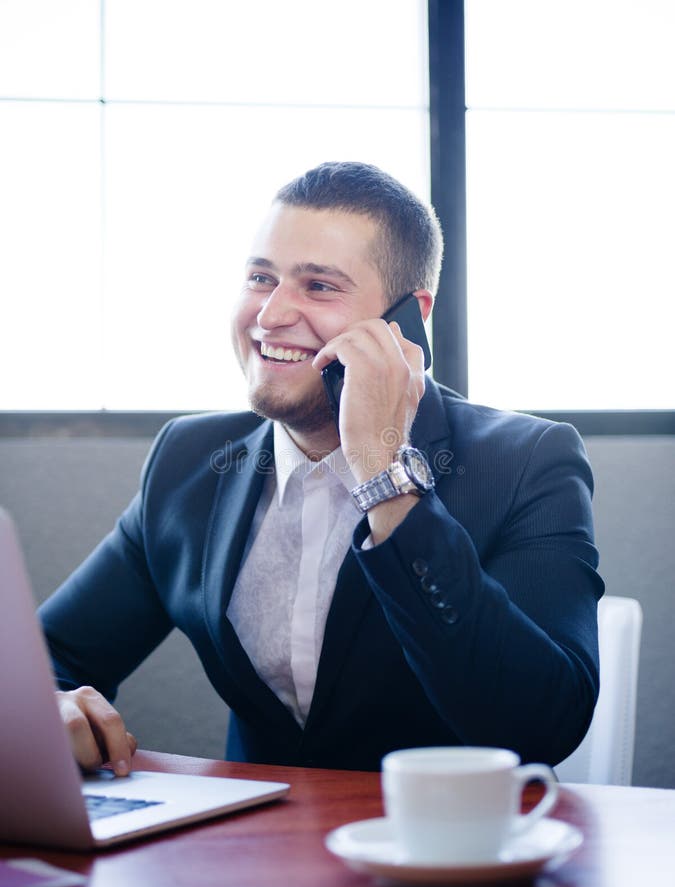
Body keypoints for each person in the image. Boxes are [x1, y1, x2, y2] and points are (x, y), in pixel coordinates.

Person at [39, 161, 604, 776]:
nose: (272, 314)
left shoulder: (527, 461)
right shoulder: (187, 460)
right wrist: (52, 702)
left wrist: (384, 471)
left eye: (319, 286)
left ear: (406, 319)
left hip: (447, 852)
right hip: (253, 853)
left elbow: (543, 723)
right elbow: (50, 652)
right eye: (261, 277)